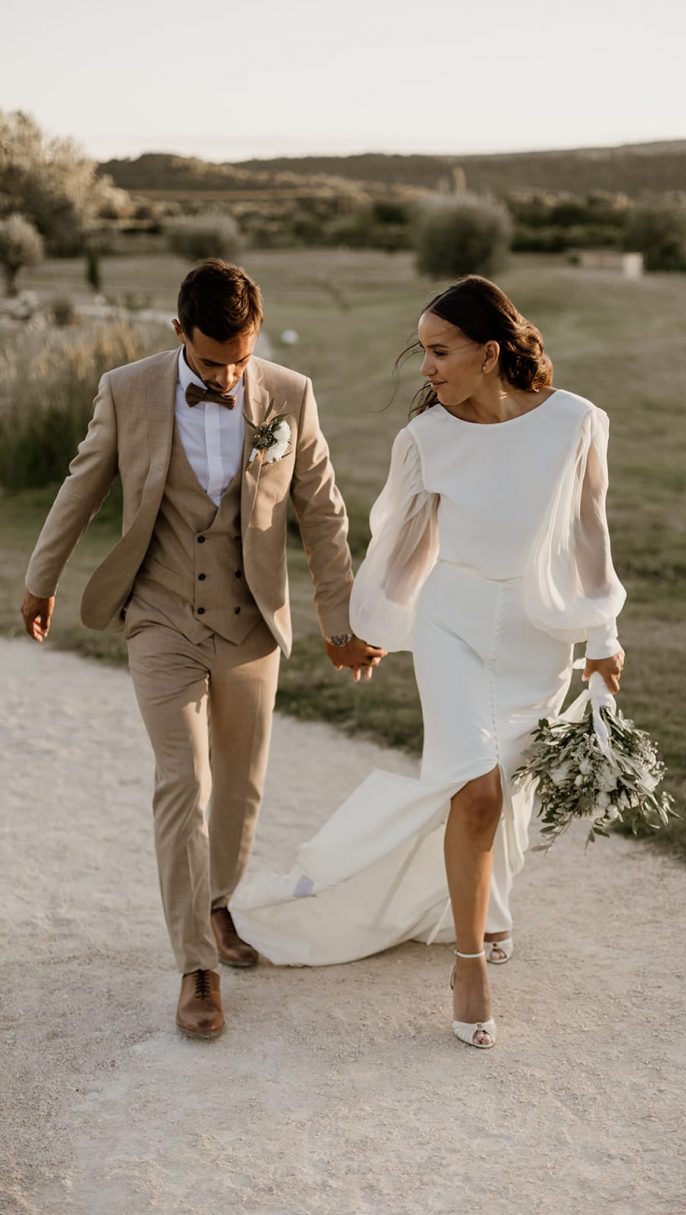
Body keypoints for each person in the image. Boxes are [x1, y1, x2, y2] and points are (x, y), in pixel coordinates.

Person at [232, 275, 626, 1049]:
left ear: (490, 353)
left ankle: (490, 906)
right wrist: (366, 624)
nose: (426, 368)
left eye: (440, 352)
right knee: (474, 787)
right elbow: (404, 543)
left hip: (536, 633)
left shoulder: (577, 422)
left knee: (510, 780)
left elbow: (589, 534)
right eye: (422, 351)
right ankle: (469, 959)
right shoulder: (426, 439)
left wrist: (604, 637)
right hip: (454, 626)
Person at [20, 259, 383, 1039]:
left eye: (241, 357)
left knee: (241, 789)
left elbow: (323, 514)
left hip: (252, 619)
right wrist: (39, 579)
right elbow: (82, 485)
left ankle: (216, 901)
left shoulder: (291, 394)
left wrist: (340, 621)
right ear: (179, 332)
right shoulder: (128, 389)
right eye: (214, 359)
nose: (229, 373)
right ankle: (197, 965)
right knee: (183, 779)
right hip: (159, 615)